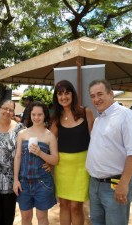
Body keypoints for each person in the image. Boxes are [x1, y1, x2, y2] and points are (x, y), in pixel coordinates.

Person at [86, 79, 132, 225]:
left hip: (115, 185)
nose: (96, 99)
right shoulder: (99, 119)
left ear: (111, 94)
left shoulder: (127, 117)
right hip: (95, 185)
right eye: (92, 96)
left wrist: (123, 184)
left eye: (100, 94)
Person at [50, 80, 94, 225]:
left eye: (67, 93)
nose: (64, 97)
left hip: (81, 166)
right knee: (63, 204)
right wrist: (47, 159)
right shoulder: (57, 117)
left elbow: (95, 138)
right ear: (57, 97)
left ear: (72, 94)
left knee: (76, 206)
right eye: (60, 94)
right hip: (62, 167)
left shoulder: (85, 112)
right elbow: (49, 139)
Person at [13, 101, 58, 225]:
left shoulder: (50, 136)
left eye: (39, 114)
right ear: (30, 115)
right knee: (26, 217)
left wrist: (40, 153)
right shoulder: (22, 133)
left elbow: (55, 159)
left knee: (42, 217)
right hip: (24, 183)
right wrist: (16, 180)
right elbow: (17, 157)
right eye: (33, 114)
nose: (36, 117)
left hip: (42, 182)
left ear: (44, 115)